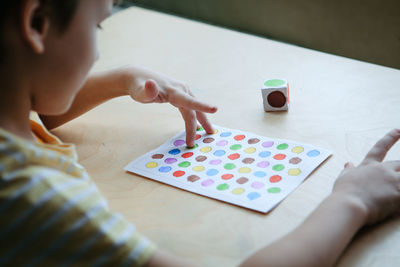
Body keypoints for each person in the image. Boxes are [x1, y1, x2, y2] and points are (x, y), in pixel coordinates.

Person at [0, 0, 399, 266]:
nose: (99, 51)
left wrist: (125, 78)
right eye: (99, 24)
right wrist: (352, 200)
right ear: (36, 23)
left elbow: (40, 112)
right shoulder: (33, 201)